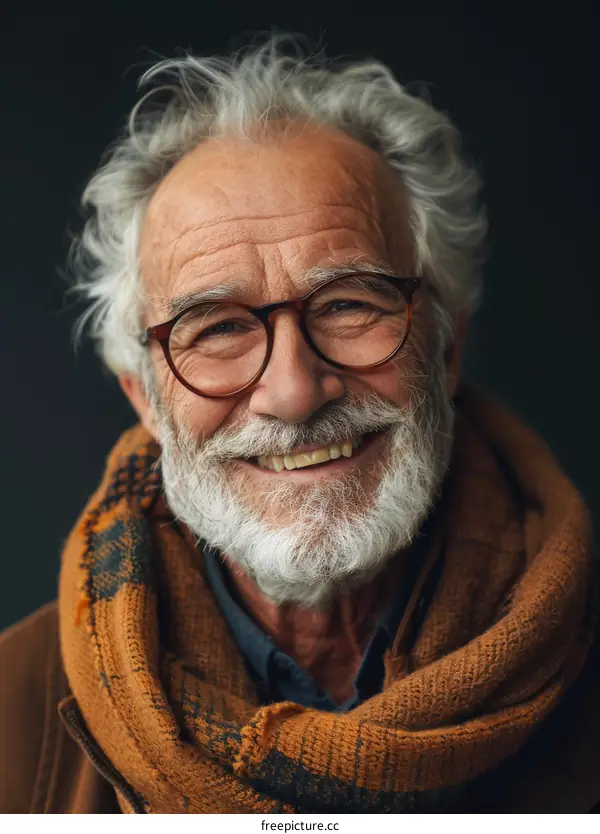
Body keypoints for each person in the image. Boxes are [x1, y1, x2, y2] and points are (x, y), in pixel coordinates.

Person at [0, 37, 597, 814]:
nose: (293, 393)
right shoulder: (12, 718)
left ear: (446, 347)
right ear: (144, 396)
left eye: (348, 303)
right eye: (217, 328)